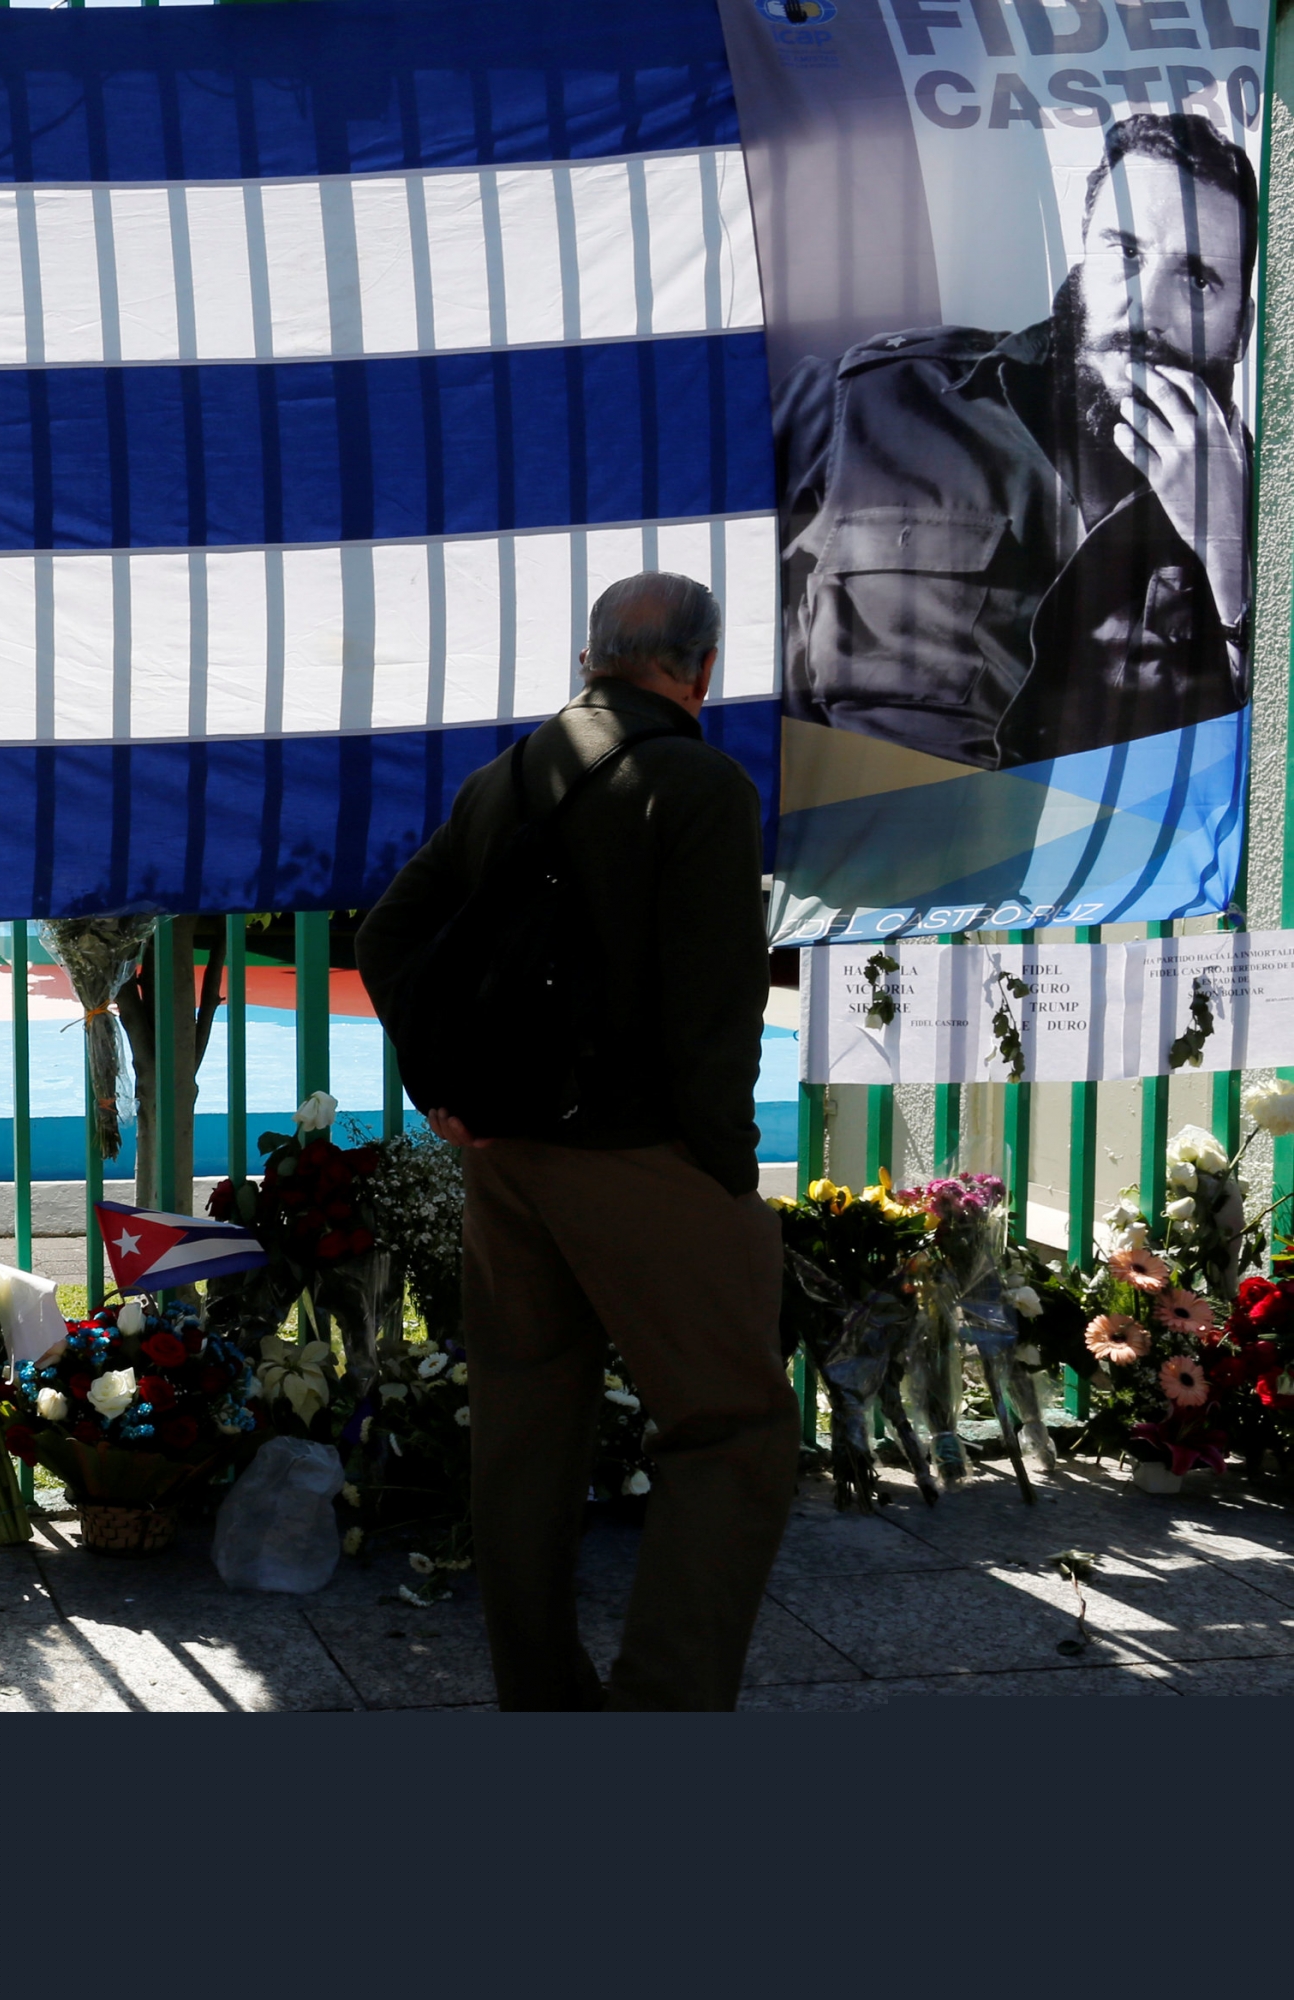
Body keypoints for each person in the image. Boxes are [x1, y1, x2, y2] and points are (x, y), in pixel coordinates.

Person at [356, 571, 792, 1711]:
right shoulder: (697, 781)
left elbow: (387, 931)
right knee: (731, 1428)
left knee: (525, 1428)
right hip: (639, 1154)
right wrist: (726, 1171)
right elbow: (714, 1008)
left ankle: (540, 1695)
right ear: (699, 668)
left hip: (505, 1158)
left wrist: (442, 1088)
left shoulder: (510, 773)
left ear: (590, 655)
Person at [777, 112, 1253, 770]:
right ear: (1081, 258)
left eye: (1198, 281)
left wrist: (1232, 551)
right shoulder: (873, 399)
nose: (1148, 308)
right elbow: (700, 591)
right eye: (1125, 252)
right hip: (859, 863)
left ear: (1243, 329)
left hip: (1126, 870)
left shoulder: (1266, 517)